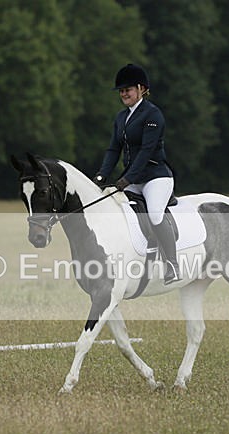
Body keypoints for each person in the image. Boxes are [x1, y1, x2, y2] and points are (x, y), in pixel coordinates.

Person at [95, 63, 180, 284]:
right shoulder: (121, 118)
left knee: (154, 214)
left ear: (141, 89)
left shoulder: (153, 114)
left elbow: (146, 151)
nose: (124, 94)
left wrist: (127, 179)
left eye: (128, 89)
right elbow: (114, 149)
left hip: (156, 177)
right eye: (121, 91)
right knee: (114, 209)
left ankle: (172, 264)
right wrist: (102, 177)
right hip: (132, 178)